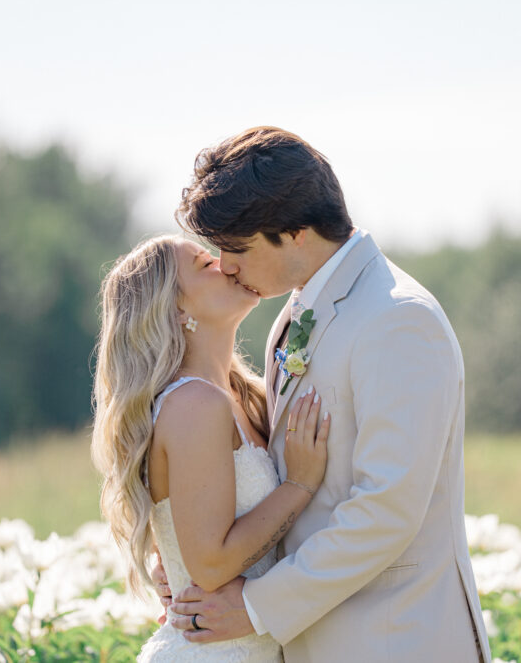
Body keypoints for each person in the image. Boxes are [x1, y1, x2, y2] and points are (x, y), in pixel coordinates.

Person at [161, 126, 492, 662]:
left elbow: (386, 509)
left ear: (295, 232)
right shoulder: (294, 315)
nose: (225, 266)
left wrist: (256, 605)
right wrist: (184, 556)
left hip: (393, 640)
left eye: (237, 248)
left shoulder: (399, 320)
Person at [90, 234, 331, 662]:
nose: (228, 264)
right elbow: (212, 565)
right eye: (206, 264)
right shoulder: (193, 405)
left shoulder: (249, 395)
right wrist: (297, 484)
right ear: (177, 310)